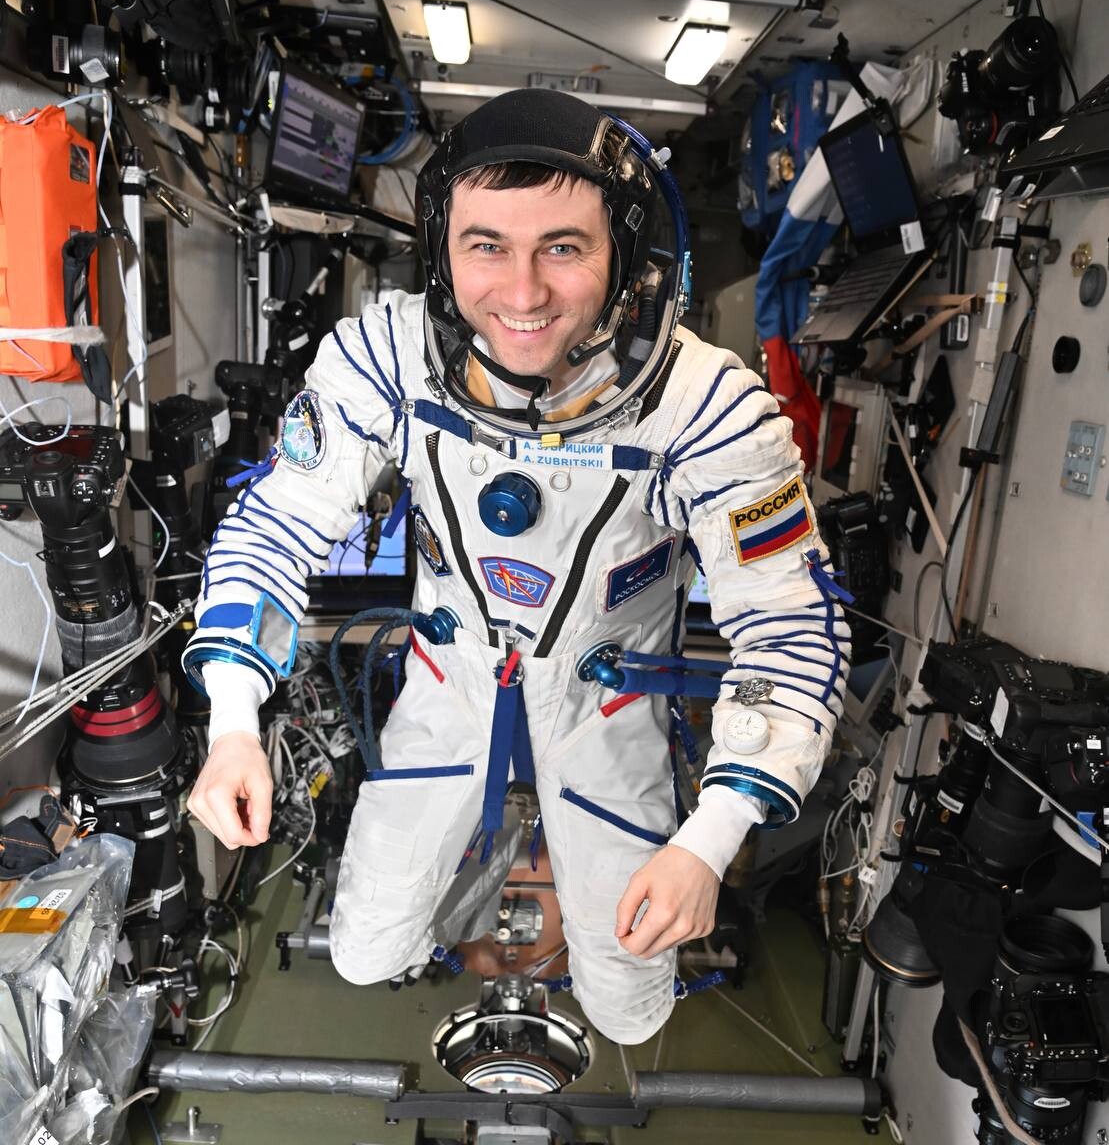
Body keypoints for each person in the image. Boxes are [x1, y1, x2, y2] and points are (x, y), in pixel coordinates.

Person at [183, 89, 848, 1045]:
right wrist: (232, 724)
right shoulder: (386, 357)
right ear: (440, 251)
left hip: (606, 708)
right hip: (447, 682)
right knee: (364, 949)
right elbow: (275, 527)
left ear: (626, 252)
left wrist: (710, 841)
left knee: (626, 1008)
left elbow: (788, 625)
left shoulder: (705, 406)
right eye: (486, 245)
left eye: (563, 247)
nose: (524, 294)